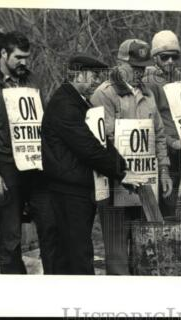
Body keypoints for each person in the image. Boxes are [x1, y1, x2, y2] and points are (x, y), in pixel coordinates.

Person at [41, 55, 145, 275]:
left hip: (76, 188)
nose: (96, 81)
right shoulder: (65, 105)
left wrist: (124, 169)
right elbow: (88, 147)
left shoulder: (76, 101)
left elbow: (99, 142)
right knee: (78, 253)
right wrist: (122, 173)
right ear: (79, 74)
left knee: (75, 250)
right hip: (68, 191)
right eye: (93, 76)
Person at [0, 31, 57, 274]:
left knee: (51, 225)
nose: (24, 63)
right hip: (6, 167)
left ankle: (54, 284)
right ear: (4, 54)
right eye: (18, 57)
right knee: (11, 237)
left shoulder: (31, 80)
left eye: (27, 57)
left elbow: (44, 121)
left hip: (36, 166)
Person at [91, 39, 173, 275]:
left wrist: (164, 170)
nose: (139, 72)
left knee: (144, 245)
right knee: (116, 250)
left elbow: (158, 134)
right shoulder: (104, 94)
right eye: (135, 67)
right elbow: (102, 140)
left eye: (143, 67)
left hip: (144, 181)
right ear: (120, 63)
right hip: (115, 181)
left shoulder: (148, 94)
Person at [142, 30, 181, 216]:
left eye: (174, 57)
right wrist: (172, 142)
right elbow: (153, 121)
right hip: (161, 149)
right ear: (155, 58)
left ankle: (167, 241)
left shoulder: (177, 76)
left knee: (171, 204)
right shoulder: (149, 81)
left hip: (178, 149)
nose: (170, 61)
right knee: (160, 205)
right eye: (164, 57)